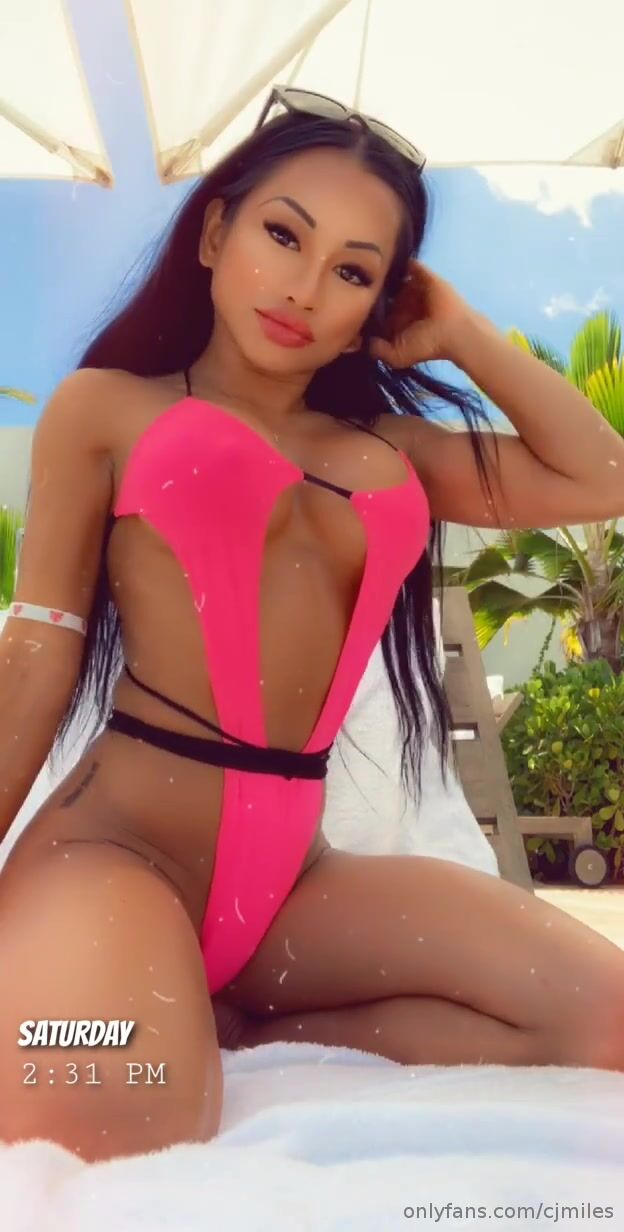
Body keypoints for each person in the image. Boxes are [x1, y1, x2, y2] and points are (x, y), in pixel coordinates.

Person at [1, 85, 624, 1165]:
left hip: (294, 887)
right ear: (215, 233)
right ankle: (162, 1020)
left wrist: (463, 332)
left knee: (606, 1020)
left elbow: (601, 473)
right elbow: (37, 654)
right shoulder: (107, 408)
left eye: (353, 270)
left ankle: (238, 1029)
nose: (304, 286)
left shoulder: (393, 452)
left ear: (381, 301)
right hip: (116, 851)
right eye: (284, 235)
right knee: (111, 1103)